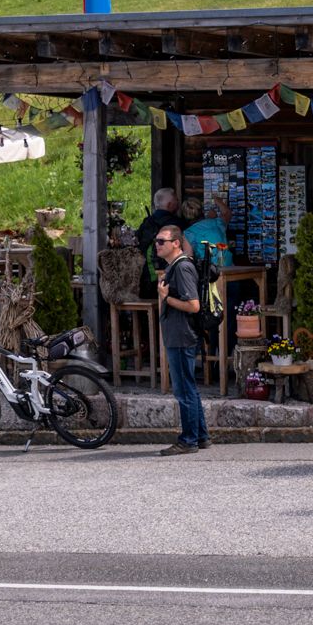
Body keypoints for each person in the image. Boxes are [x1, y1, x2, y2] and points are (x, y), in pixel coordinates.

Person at [153, 224, 210, 455]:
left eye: (162, 241)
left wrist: (167, 298)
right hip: (179, 333)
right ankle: (201, 436)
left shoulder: (182, 268)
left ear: (176, 243)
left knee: (184, 389)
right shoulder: (175, 267)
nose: (157, 245)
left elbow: (193, 305)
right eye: (156, 241)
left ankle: (188, 439)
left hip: (182, 334)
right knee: (189, 387)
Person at [132, 188, 187, 279]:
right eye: (176, 200)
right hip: (171, 271)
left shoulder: (146, 223)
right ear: (170, 204)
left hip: (147, 271)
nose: (178, 203)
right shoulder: (178, 224)